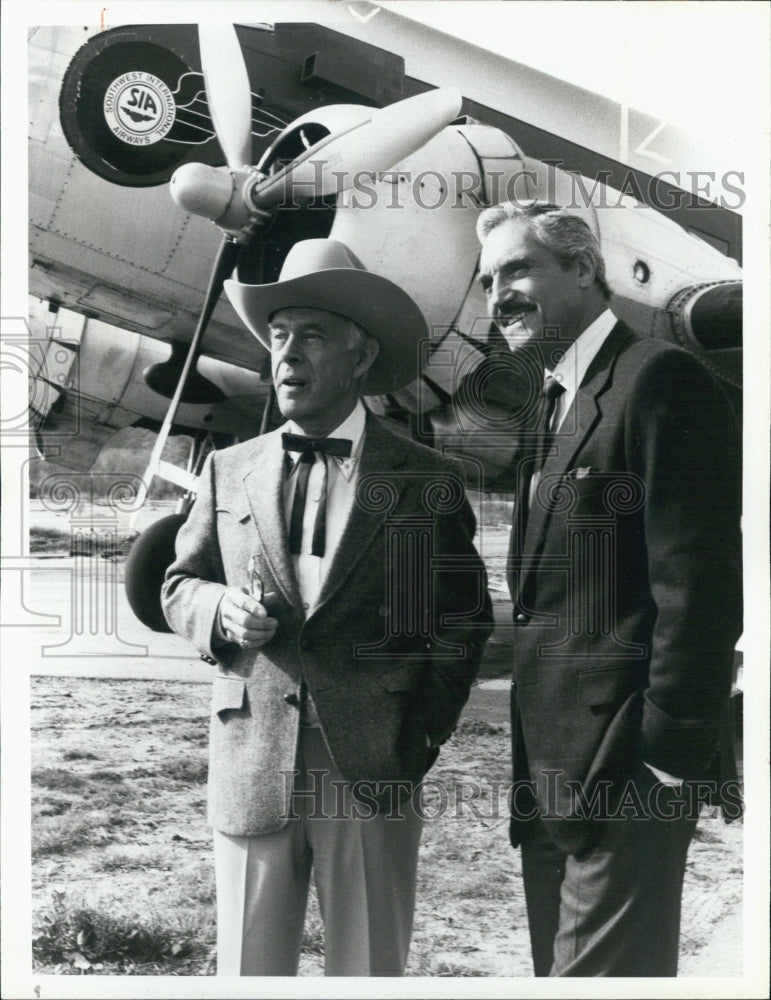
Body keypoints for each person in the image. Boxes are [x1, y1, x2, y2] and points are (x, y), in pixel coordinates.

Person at [161, 238, 493, 977]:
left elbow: (461, 621)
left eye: (311, 335)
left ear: (361, 355)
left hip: (373, 766)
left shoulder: (423, 479)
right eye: (278, 336)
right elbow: (178, 586)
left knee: (368, 970)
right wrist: (218, 614)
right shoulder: (227, 470)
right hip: (252, 759)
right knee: (249, 973)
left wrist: (418, 736)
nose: (287, 355)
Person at [476, 201, 742, 977]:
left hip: (627, 776)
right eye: (488, 280)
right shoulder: (551, 403)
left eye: (518, 269)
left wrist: (663, 757)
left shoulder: (660, 378)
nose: (499, 296)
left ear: (584, 269)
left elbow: (696, 586)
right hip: (550, 782)